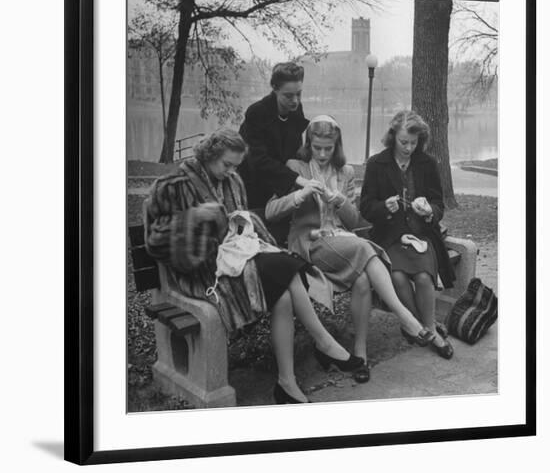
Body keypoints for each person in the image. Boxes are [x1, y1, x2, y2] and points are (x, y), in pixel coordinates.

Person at [144, 128, 363, 405]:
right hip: (202, 273)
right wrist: (195, 217)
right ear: (209, 155)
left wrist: (242, 226)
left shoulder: (233, 181)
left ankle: (287, 382)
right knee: (286, 266)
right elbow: (155, 241)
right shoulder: (173, 185)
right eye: (226, 164)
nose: (231, 171)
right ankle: (324, 341)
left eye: (236, 165)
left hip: (236, 258)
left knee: (283, 292)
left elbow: (240, 221)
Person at [265, 116, 434, 383]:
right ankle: (406, 317)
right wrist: (299, 194)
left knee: (364, 279)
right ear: (308, 144)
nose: (322, 154)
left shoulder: (345, 173)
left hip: (342, 246)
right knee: (363, 247)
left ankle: (360, 354)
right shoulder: (295, 168)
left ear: (336, 146)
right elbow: (270, 211)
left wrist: (342, 201)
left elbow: (354, 221)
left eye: (328, 148)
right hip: (309, 244)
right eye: (317, 147)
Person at [359, 110, 455, 360]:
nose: (409, 148)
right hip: (389, 236)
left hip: (421, 235)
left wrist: (428, 211)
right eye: (404, 142)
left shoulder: (428, 163)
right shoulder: (377, 164)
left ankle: (428, 329)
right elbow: (366, 207)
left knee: (423, 278)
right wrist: (383, 207)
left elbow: (438, 204)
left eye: (414, 143)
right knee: (399, 278)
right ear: (393, 137)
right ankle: (424, 328)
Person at [238, 62, 312, 211]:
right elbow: (258, 160)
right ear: (275, 88)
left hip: (284, 188)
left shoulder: (296, 110)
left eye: (299, 94)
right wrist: (296, 179)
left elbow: (296, 151)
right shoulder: (257, 112)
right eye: (288, 95)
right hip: (254, 188)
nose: (295, 100)